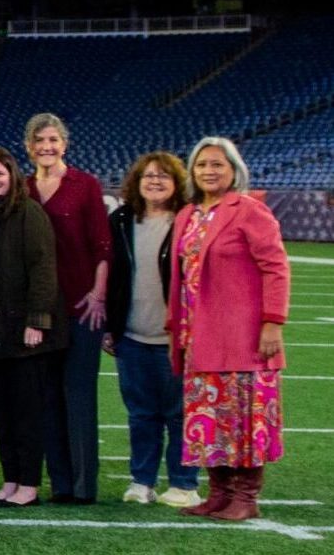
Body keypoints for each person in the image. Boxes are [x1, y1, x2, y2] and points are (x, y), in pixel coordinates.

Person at [172, 136, 290, 522]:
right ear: (192, 171)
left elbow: (276, 267)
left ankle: (245, 495)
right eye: (202, 164)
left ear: (233, 170)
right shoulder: (187, 214)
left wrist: (273, 322)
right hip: (198, 334)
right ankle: (219, 493)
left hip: (242, 335)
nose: (209, 171)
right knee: (208, 417)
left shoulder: (250, 211)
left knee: (243, 415)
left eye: (217, 164)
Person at [0, 146, 65, 508]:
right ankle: (10, 481)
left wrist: (37, 320)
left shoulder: (28, 213)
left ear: (13, 178)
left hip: (23, 331)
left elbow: (43, 268)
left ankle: (29, 485)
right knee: (1, 411)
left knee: (25, 412)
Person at [24, 112, 109, 505]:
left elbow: (102, 246)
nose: (47, 147)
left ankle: (83, 485)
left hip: (78, 306)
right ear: (28, 146)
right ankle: (59, 483)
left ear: (64, 144)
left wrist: (98, 294)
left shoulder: (85, 185)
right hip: (39, 310)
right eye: (40, 140)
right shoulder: (22, 188)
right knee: (45, 397)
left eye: (53, 140)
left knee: (78, 394)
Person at [104, 150, 198, 508]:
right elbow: (113, 276)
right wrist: (110, 327)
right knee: (141, 414)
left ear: (176, 183)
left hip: (176, 337)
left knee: (178, 414)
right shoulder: (123, 219)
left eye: (163, 176)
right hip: (132, 335)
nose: (155, 182)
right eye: (148, 176)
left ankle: (183, 482)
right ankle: (142, 480)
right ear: (136, 182)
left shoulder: (188, 220)